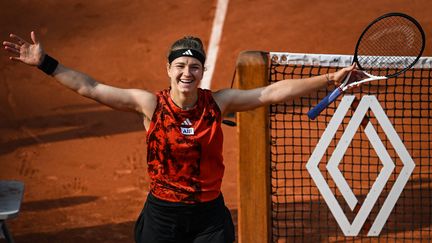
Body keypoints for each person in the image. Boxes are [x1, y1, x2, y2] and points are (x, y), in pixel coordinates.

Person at [2, 31, 363, 243]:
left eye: (194, 66)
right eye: (180, 65)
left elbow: (271, 93)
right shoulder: (149, 105)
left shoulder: (218, 103)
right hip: (163, 217)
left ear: (202, 71)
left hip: (210, 218)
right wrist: (46, 63)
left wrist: (328, 79)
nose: (186, 72)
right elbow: (92, 88)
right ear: (168, 69)